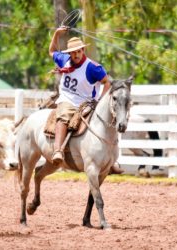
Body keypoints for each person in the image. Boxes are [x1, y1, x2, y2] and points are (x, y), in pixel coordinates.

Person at [49, 26, 124, 174]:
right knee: (63, 116)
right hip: (67, 99)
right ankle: (58, 150)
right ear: (69, 53)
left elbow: (106, 82)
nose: (76, 55)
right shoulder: (64, 60)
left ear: (83, 50)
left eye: (78, 51)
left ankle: (109, 161)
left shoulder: (93, 68)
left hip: (87, 101)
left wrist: (100, 100)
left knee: (105, 122)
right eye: (73, 52)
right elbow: (51, 51)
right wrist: (57, 34)